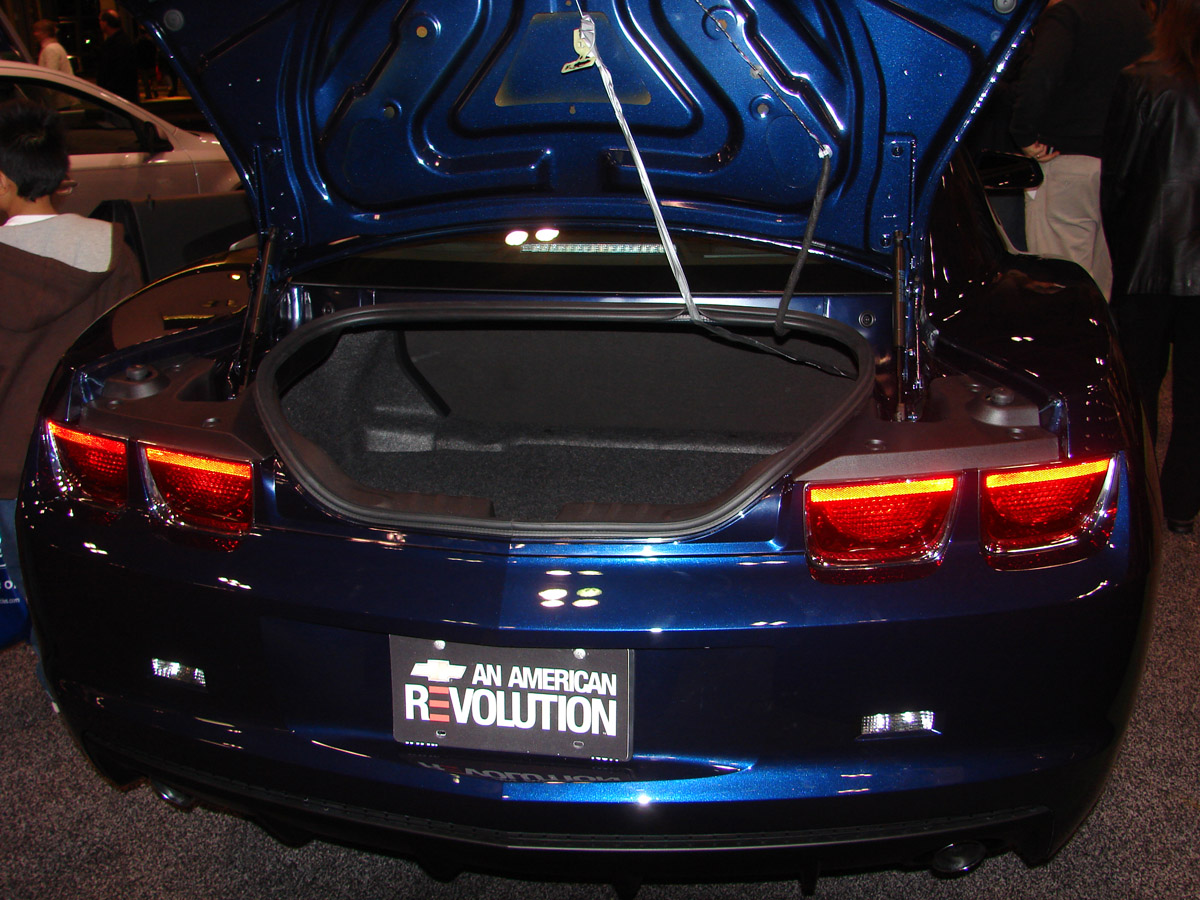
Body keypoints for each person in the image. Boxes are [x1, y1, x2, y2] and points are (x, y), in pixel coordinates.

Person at [0, 100, 142, 628]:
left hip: (9, 468)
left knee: (41, 602)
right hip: (89, 457)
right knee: (100, 592)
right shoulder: (111, 249)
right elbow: (131, 354)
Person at [1102, 0, 1200, 534]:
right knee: (1195, 399)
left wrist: (1124, 251)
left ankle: (1140, 504)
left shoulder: (1141, 80)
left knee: (1137, 390)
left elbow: (1118, 179)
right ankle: (1182, 505)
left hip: (1147, 259)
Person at [1009, 0, 1152, 298]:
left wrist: (1023, 134)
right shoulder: (1140, 19)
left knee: (1059, 285)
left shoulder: (1068, 14)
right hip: (1119, 167)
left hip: (1064, 158)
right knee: (1104, 285)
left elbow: (1041, 73)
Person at [95, 9, 138, 104]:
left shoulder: (118, 44)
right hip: (121, 94)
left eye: (100, 21)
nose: (99, 23)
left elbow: (119, 72)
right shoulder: (123, 41)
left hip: (118, 96)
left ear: (105, 23)